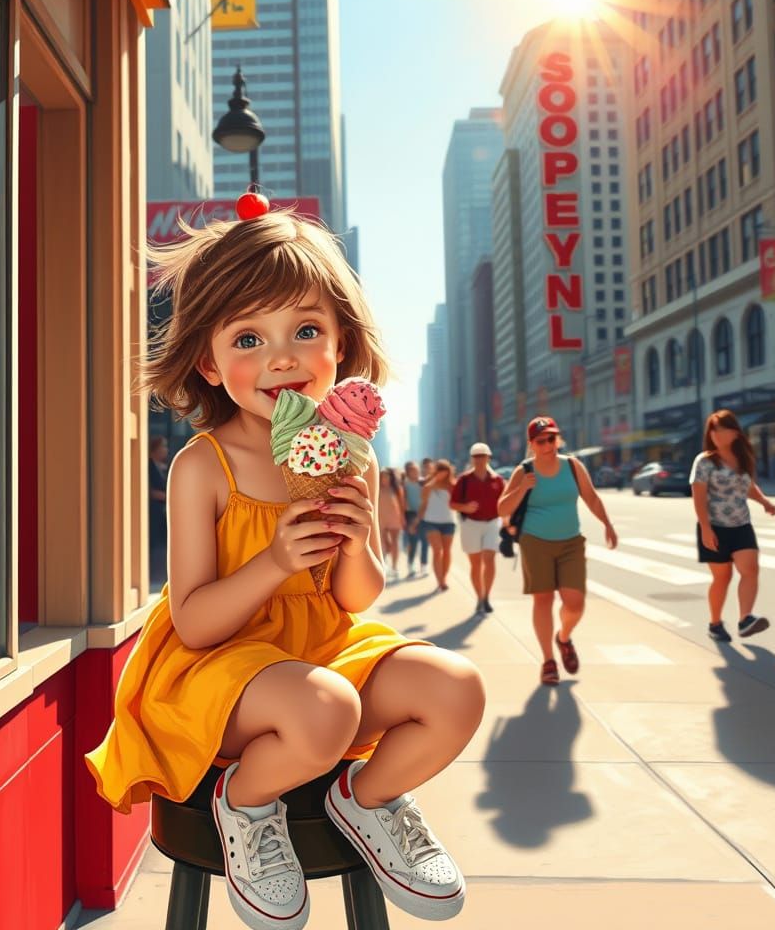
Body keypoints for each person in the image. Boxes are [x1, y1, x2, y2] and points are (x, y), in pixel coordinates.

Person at [85, 205, 484, 929]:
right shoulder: (201, 466)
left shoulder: (343, 459)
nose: (281, 357)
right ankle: (244, 802)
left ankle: (366, 800)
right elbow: (195, 622)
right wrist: (273, 561)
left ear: (341, 344)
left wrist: (356, 539)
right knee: (324, 707)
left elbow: (356, 600)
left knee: (455, 688)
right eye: (248, 337)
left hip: (321, 651)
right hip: (222, 672)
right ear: (208, 362)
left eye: (305, 331)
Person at [497, 416, 617, 686]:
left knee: (575, 602)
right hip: (535, 541)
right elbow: (502, 509)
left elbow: (591, 497)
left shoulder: (573, 466)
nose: (549, 445)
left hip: (571, 541)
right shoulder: (524, 470)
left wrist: (607, 524)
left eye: (552, 438)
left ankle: (563, 637)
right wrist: (522, 489)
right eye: (542, 441)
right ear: (532, 444)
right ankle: (548, 661)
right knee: (543, 600)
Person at [690, 409, 775, 642]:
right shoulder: (705, 461)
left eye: (721, 429)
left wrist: (764, 501)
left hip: (741, 524)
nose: (716, 434)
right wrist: (706, 529)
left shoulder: (743, 459)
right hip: (714, 527)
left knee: (750, 570)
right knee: (723, 577)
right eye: (713, 429)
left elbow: (748, 486)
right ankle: (715, 623)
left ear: (735, 433)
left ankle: (745, 619)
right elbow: (698, 497)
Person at [451, 443, 505, 616]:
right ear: (472, 459)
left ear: (489, 457)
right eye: (476, 456)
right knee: (476, 564)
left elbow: (504, 504)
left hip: (492, 523)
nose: (479, 459)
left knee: (489, 560)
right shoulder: (464, 480)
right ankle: (479, 597)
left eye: (483, 456)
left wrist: (508, 522)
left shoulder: (497, 480)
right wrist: (465, 507)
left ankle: (486, 597)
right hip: (471, 525)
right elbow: (452, 503)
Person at [412, 459, 457, 593]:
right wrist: (416, 521)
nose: (442, 474)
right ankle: (440, 581)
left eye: (445, 471)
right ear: (436, 471)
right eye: (439, 470)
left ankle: (444, 577)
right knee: (438, 551)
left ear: (448, 472)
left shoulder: (452, 485)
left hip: (449, 521)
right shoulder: (428, 486)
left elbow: (458, 501)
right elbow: (423, 504)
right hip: (431, 522)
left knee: (447, 551)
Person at [377, 467, 405, 580]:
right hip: (380, 518)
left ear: (390, 477)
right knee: (384, 543)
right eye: (383, 476)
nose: (385, 478)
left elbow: (402, 504)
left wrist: (403, 518)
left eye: (387, 476)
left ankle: (394, 567)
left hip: (395, 517)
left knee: (395, 543)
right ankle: (384, 564)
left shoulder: (396, 489)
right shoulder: (376, 488)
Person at [401, 460, 429, 578]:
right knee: (413, 541)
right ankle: (411, 566)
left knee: (425, 541)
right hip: (411, 514)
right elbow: (402, 501)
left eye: (417, 469)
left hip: (424, 514)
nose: (416, 472)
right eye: (413, 470)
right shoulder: (404, 485)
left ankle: (424, 566)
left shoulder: (423, 483)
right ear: (408, 472)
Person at [149, 435, 170, 587]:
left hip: (161, 511)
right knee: (153, 542)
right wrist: (168, 497)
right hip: (153, 511)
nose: (166, 450)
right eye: (163, 447)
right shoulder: (149, 466)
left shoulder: (163, 467)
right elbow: (149, 490)